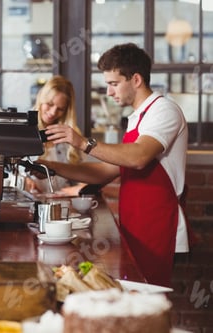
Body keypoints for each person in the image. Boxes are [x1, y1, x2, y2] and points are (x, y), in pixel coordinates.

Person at [36, 43, 192, 287]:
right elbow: (106, 171)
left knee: (149, 300)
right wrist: (50, 166)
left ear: (136, 79)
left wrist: (82, 142)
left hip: (158, 226)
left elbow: (138, 157)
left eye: (114, 83)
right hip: (134, 223)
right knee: (134, 296)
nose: (108, 92)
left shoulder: (164, 110)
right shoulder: (137, 118)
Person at [23, 75, 85, 196]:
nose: (53, 113)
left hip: (63, 203)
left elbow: (83, 180)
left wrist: (73, 190)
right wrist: (25, 181)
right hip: (30, 202)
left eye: (60, 109)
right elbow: (9, 174)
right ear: (41, 98)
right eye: (50, 104)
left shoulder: (71, 136)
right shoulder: (23, 131)